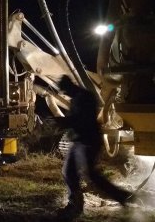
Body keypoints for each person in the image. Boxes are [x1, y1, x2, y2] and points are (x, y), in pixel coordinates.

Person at [55, 75, 133, 220]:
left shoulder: (84, 97)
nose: (65, 94)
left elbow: (83, 120)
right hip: (80, 141)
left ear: (69, 86)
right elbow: (78, 119)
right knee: (69, 172)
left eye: (64, 91)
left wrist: (65, 122)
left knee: (90, 175)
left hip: (88, 141)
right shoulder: (79, 97)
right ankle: (75, 205)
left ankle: (123, 197)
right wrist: (66, 123)